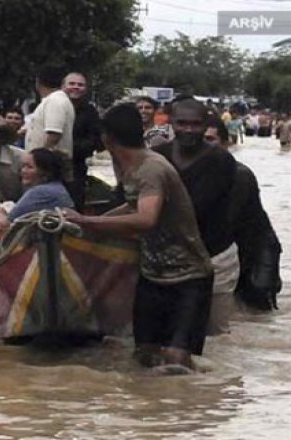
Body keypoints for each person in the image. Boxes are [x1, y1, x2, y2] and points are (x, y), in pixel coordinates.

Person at [65, 104, 213, 371]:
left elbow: (146, 218)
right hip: (152, 275)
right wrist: (87, 225)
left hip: (188, 278)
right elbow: (134, 205)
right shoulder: (131, 167)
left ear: (106, 138)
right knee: (144, 356)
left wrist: (88, 220)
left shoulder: (150, 169)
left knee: (175, 360)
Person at [153, 99, 238, 335]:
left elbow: (197, 207)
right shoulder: (158, 156)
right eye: (182, 123)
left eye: (195, 124)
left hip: (214, 258)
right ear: (170, 123)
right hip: (167, 259)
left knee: (215, 336)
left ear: (205, 125)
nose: (188, 130)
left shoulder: (221, 161)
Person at [205, 119, 283, 311]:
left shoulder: (239, 175)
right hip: (227, 253)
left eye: (210, 139)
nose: (204, 145)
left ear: (226, 143)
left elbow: (226, 223)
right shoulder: (191, 172)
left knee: (256, 314)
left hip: (254, 252)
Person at [0, 148, 74, 226]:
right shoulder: (57, 187)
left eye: (29, 167)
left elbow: (7, 223)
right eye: (23, 166)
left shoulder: (41, 192)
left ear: (45, 172)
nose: (23, 171)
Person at [62, 72, 101, 210]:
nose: (76, 87)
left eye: (80, 85)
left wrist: (68, 149)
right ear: (63, 86)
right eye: (72, 84)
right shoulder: (54, 107)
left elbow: (95, 140)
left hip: (76, 168)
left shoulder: (90, 111)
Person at [25, 66, 74, 158]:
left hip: (47, 163)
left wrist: (39, 158)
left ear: (38, 82)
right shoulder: (53, 100)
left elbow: (53, 135)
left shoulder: (55, 100)